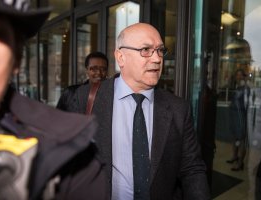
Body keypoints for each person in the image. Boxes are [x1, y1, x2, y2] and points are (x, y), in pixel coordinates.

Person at [0, 0, 107, 199]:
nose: (98, 73)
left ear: (16, 59)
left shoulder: (70, 166)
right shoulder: (72, 93)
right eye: (94, 68)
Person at [74, 23, 210, 199]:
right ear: (120, 57)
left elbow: (192, 169)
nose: (157, 59)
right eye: (146, 49)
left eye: (160, 50)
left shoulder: (178, 109)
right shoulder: (86, 98)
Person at [226, 69, 250, 171]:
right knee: (235, 138)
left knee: (241, 140)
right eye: (237, 75)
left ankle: (240, 163)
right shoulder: (237, 87)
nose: (238, 77)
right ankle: (234, 157)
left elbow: (245, 104)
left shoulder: (246, 89)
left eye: (240, 75)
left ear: (244, 77)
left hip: (240, 116)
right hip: (234, 115)